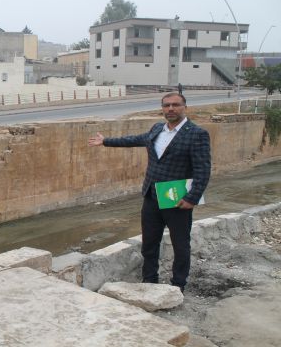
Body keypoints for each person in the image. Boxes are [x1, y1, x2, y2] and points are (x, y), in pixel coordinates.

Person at [88, 92, 211, 292]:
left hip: (176, 198)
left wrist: (192, 197)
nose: (170, 109)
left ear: (185, 107)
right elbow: (134, 140)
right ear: (162, 108)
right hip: (151, 196)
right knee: (149, 242)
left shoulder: (197, 133)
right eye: (166, 105)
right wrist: (106, 141)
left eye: (175, 105)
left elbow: (203, 169)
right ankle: (149, 280)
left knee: (180, 245)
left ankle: (178, 284)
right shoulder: (157, 129)